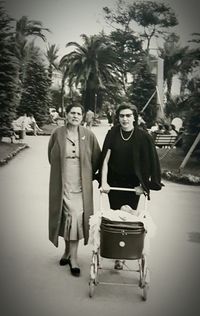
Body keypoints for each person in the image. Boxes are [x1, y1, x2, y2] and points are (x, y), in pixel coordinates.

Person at [99, 103, 162, 269]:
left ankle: (125, 251)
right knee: (115, 217)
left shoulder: (143, 136)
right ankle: (118, 256)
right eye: (121, 116)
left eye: (128, 115)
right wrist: (104, 182)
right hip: (115, 183)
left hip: (133, 185)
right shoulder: (112, 133)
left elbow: (150, 163)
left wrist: (145, 186)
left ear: (134, 117)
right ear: (118, 118)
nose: (125, 119)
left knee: (129, 217)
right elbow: (105, 160)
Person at [48, 103, 101, 277]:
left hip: (80, 184)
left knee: (76, 216)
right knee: (65, 218)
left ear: (83, 116)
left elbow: (97, 158)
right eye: (72, 113)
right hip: (62, 182)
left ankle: (74, 258)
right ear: (66, 114)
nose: (75, 116)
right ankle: (67, 252)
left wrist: (87, 174)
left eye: (79, 113)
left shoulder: (88, 135)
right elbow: (51, 155)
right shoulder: (58, 133)